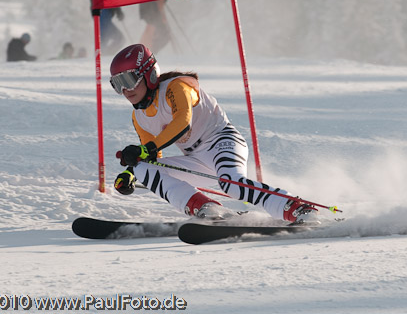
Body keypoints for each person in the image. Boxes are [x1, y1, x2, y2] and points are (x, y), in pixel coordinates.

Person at [110, 44, 316, 223]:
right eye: (117, 85)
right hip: (196, 158)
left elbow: (183, 122)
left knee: (231, 184)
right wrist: (131, 173)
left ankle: (295, 208)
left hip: (222, 141)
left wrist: (146, 149)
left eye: (129, 80)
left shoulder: (176, 88)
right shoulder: (139, 116)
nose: (125, 90)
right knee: (144, 168)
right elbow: (152, 157)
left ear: (149, 73)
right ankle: (205, 207)